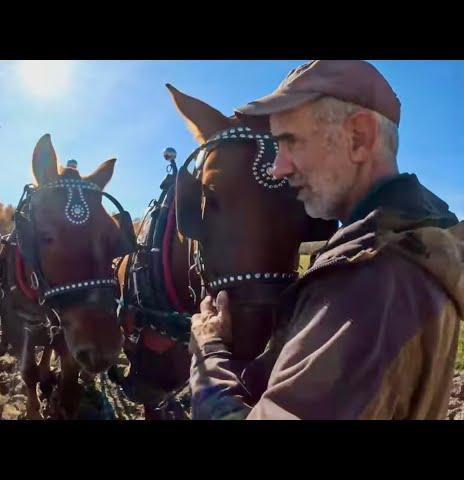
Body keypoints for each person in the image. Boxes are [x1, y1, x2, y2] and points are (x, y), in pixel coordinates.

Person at [189, 60, 463, 419]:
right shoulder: (420, 244)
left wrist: (208, 355)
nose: (278, 167)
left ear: (358, 137)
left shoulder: (370, 284)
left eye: (290, 142)